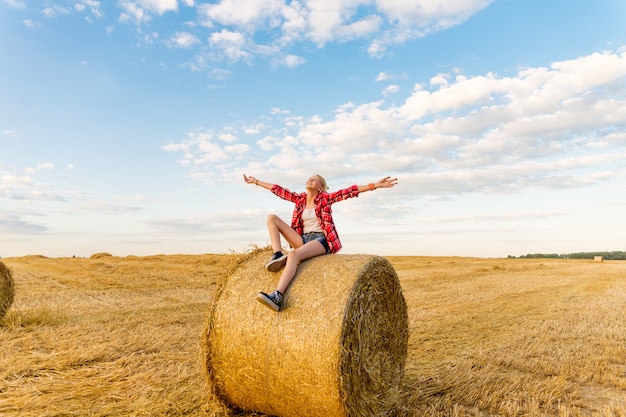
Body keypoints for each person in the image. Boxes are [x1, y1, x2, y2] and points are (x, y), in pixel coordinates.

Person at [243, 173, 398, 312]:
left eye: (315, 180)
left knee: (293, 254)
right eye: (309, 178)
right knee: (272, 218)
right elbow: (277, 190)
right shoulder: (300, 199)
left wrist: (375, 185)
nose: (310, 180)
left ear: (321, 188)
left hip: (320, 240)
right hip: (302, 239)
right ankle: (277, 254)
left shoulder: (325, 198)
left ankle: (277, 296)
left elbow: (350, 191)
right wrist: (255, 181)